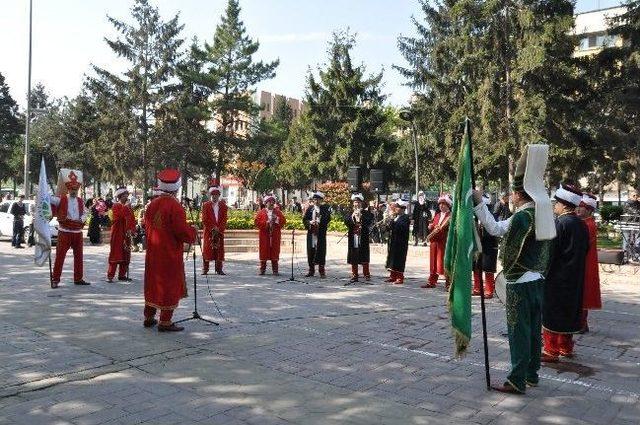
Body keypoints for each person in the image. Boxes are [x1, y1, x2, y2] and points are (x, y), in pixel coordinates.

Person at [472, 144, 556, 394]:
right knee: (533, 330)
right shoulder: (542, 213)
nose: (512, 196)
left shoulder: (521, 217)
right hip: (538, 278)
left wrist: (478, 205)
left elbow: (496, 230)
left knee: (518, 331)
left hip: (519, 280)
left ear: (520, 195)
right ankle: (531, 373)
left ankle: (517, 380)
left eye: (514, 192)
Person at [143, 169, 197, 332]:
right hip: (169, 253)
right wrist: (192, 231)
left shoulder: (151, 205)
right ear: (176, 187)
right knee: (168, 284)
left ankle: (149, 316)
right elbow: (181, 231)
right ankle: (165, 321)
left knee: (153, 283)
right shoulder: (176, 207)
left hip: (153, 252)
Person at [542, 183, 589, 363]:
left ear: (564, 205)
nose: (555, 206)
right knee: (570, 311)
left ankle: (551, 350)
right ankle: (566, 348)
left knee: (552, 310)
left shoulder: (560, 223)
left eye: (557, 203)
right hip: (575, 275)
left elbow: (550, 251)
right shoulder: (582, 225)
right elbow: (586, 249)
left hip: (557, 276)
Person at [50, 169, 90, 287]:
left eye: (76, 189)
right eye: (72, 189)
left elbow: (85, 213)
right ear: (68, 189)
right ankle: (56, 279)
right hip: (65, 231)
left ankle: (78, 278)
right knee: (60, 256)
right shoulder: (61, 199)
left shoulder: (80, 201)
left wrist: (81, 219)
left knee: (79, 256)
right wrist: (43, 191)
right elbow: (48, 198)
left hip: (77, 231)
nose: (74, 191)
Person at [576, 193, 601, 333]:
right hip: (585, 262)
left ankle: (581, 323)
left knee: (582, 294)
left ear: (590, 209)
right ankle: (581, 323)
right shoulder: (586, 223)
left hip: (585, 264)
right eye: (578, 207)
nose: (578, 210)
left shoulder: (588, 225)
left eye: (582, 208)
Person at [107, 187, 136, 282]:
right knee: (115, 253)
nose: (126, 197)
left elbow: (131, 219)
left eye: (127, 195)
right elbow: (120, 216)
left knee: (126, 254)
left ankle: (122, 275)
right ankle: (110, 275)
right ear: (120, 197)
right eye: (124, 195)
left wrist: (133, 230)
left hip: (126, 233)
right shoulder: (116, 206)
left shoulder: (128, 207)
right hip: (117, 233)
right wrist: (126, 207)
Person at [423, 194, 452, 289]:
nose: (441, 206)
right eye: (440, 204)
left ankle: (448, 284)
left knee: (444, 262)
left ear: (448, 205)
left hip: (443, 242)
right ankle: (432, 281)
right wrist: (431, 226)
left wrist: (442, 228)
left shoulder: (451, 216)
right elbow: (433, 224)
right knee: (433, 262)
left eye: (443, 204)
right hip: (434, 241)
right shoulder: (437, 215)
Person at [345, 193, 374, 283]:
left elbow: (369, 222)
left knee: (364, 255)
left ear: (361, 203)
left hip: (363, 237)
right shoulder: (350, 213)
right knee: (354, 255)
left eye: (358, 202)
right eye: (355, 202)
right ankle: (355, 274)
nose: (356, 204)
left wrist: (360, 216)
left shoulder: (367, 213)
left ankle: (366, 274)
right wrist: (353, 217)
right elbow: (346, 222)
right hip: (353, 237)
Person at [473, 194, 498, 298]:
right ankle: (477, 288)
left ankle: (489, 290)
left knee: (488, 268)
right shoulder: (475, 216)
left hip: (489, 244)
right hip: (478, 244)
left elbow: (494, 230)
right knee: (476, 267)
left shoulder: (493, 216)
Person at [254, 194, 286, 275]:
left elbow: (283, 221)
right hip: (265, 236)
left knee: (275, 251)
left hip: (275, 236)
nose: (271, 203)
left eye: (273, 202)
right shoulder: (261, 212)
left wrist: (277, 219)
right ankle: (262, 270)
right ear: (266, 203)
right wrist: (267, 223)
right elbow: (257, 223)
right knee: (264, 251)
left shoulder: (278, 212)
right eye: (270, 202)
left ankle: (275, 270)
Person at [201, 179, 228, 275]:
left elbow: (224, 219)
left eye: (216, 195)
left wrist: (219, 228)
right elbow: (204, 219)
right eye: (213, 195)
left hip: (219, 231)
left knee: (219, 250)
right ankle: (205, 269)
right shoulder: (206, 206)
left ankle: (219, 269)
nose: (214, 197)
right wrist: (213, 227)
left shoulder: (223, 206)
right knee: (207, 249)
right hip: (209, 231)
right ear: (210, 195)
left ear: (219, 196)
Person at [303, 192, 331, 277]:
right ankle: (311, 270)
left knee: (321, 251)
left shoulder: (324, 209)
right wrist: (310, 222)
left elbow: (328, 219)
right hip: (311, 234)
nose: (316, 201)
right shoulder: (310, 209)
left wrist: (320, 219)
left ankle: (321, 271)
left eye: (318, 199)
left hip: (320, 234)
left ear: (321, 200)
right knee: (311, 251)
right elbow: (305, 220)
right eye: (315, 199)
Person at [385, 199, 410, 284]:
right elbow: (389, 228)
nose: (396, 209)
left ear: (403, 209)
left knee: (399, 259)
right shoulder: (395, 217)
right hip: (393, 241)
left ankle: (400, 277)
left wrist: (394, 222)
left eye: (398, 207)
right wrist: (389, 222)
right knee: (392, 258)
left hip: (401, 242)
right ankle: (392, 276)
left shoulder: (406, 218)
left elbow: (402, 227)